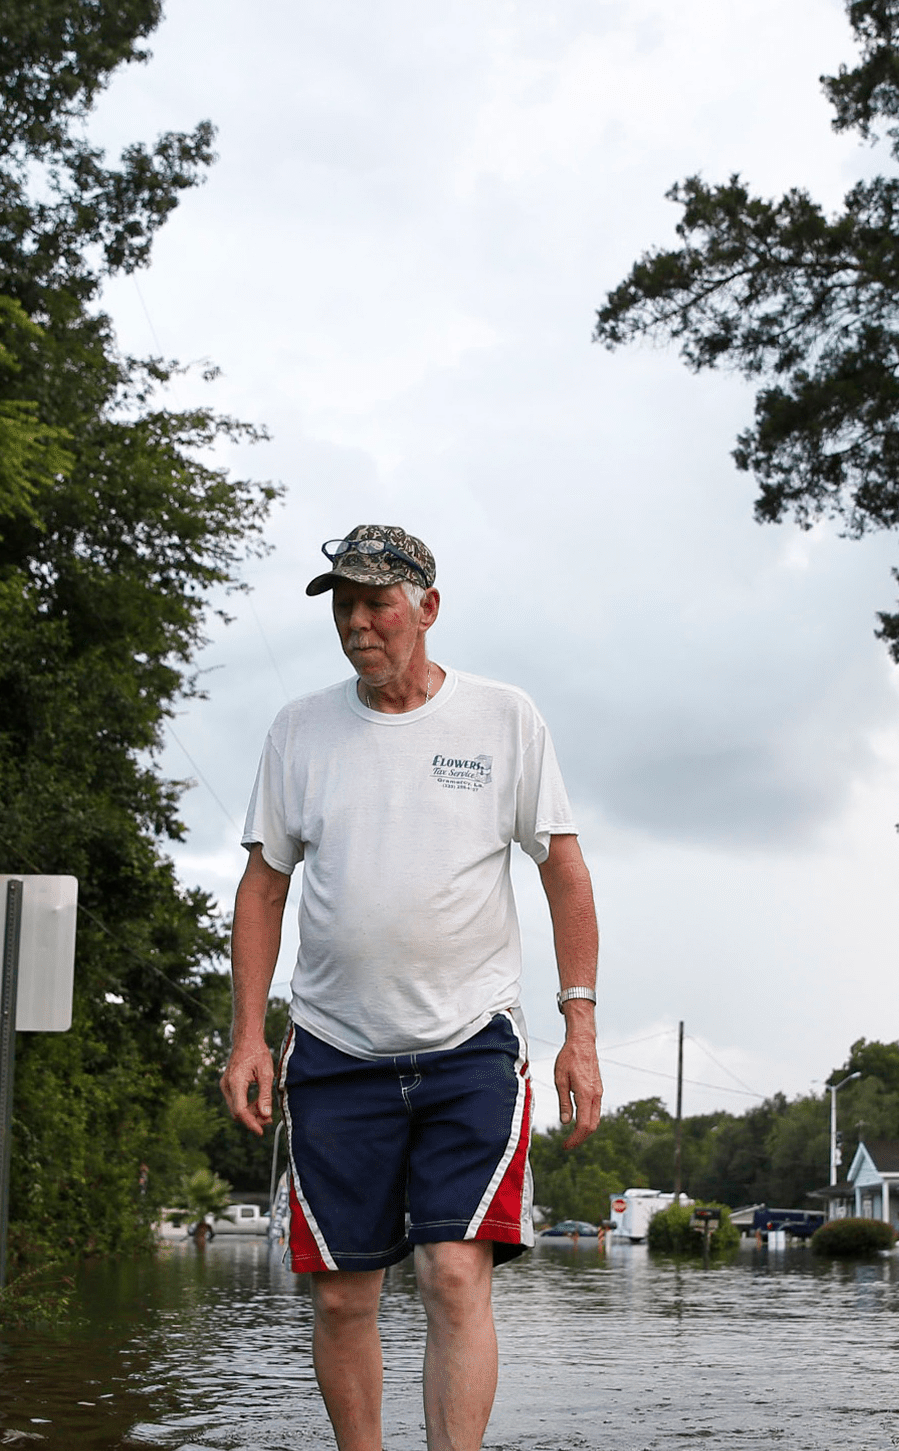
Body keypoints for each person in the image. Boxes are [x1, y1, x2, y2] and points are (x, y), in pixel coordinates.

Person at [220, 524, 604, 1451]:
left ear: (426, 609)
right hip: (335, 1049)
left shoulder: (504, 719)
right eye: (344, 605)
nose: (358, 623)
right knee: (346, 1291)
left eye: (377, 602)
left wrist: (578, 1028)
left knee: (452, 1273)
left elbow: (565, 874)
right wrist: (247, 1035)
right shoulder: (299, 730)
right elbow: (264, 887)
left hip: (470, 1044)